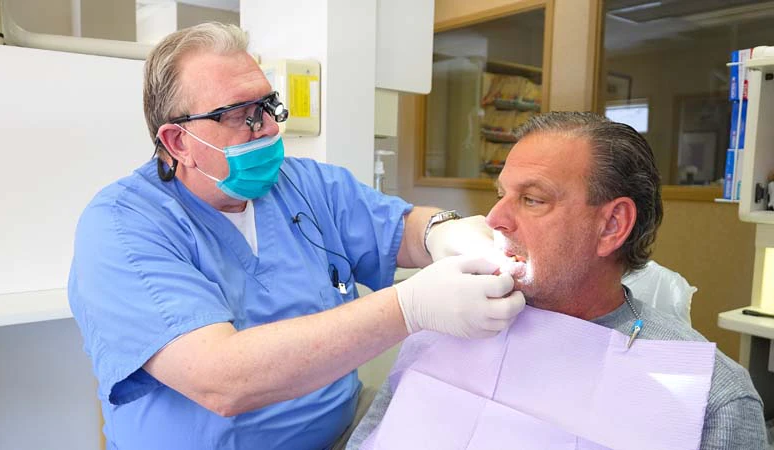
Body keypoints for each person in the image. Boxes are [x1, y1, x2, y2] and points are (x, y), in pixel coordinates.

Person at [67, 22, 526, 450]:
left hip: (342, 431)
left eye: (268, 106)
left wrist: (441, 232)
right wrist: (409, 307)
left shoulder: (304, 185)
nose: (269, 127)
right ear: (178, 142)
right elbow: (220, 379)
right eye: (242, 115)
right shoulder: (123, 227)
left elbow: (399, 229)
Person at [348, 112, 767, 449]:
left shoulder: (712, 399)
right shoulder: (451, 323)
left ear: (611, 226)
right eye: (501, 195)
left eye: (532, 199)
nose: (495, 220)